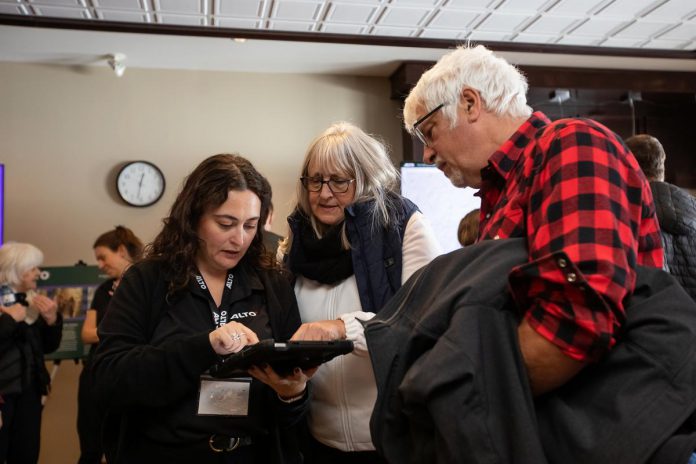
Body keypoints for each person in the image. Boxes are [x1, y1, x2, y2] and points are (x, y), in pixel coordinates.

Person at [402, 44, 663, 395]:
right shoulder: (506, 189)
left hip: (607, 427)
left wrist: (466, 400)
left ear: (469, 103)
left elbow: (576, 320)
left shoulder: (573, 143)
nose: (428, 154)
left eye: (429, 131)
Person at [92, 154, 314, 463]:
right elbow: (109, 381)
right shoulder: (148, 280)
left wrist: (292, 394)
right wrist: (205, 346)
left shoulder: (273, 284)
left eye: (250, 225)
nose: (239, 239)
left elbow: (290, 410)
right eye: (225, 224)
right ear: (194, 217)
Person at [280, 122, 440, 463]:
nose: (324, 194)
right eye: (315, 180)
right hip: (317, 439)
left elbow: (425, 323)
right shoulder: (295, 242)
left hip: (392, 439)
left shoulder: (403, 226)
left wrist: (341, 329)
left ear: (366, 178)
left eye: (339, 181)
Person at [77, 225, 143, 464]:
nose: (100, 265)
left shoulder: (148, 286)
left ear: (122, 250)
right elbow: (86, 334)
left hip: (130, 377)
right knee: (91, 445)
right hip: (95, 375)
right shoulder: (104, 290)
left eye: (103, 258)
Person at [0, 242, 62, 464]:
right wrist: (8, 321)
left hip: (29, 394)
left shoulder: (33, 303)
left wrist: (53, 321)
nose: (39, 273)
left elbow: (48, 348)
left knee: (26, 454)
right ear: (15, 270)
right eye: (33, 267)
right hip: (2, 396)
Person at [625, 133, 696, 301]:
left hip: (657, 322)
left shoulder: (627, 215)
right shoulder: (693, 208)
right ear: (662, 163)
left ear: (626, 165)